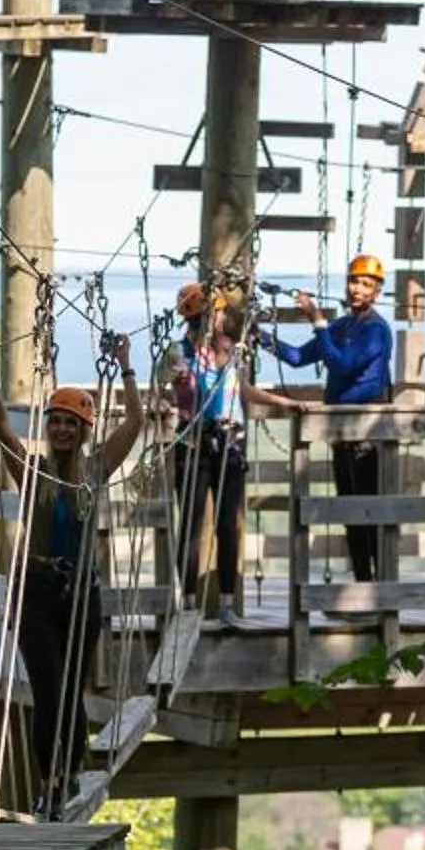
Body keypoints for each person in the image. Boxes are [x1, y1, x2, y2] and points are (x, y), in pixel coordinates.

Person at [0, 341, 142, 816]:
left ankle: (70, 771)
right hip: (36, 591)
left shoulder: (96, 470)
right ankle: (50, 781)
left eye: (72, 422)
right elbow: (1, 433)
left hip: (80, 595)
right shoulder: (34, 472)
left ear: (86, 430)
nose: (62, 429)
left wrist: (128, 367)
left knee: (72, 688)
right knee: (48, 687)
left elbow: (134, 423)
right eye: (56, 421)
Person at [259, 255, 395, 579]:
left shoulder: (377, 331)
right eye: (354, 282)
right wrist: (258, 335)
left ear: (376, 292)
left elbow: (343, 364)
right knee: (350, 508)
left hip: (368, 430)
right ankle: (364, 581)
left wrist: (317, 320)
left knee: (368, 509)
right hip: (341, 429)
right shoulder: (343, 326)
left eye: (365, 284)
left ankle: (379, 586)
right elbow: (297, 357)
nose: (357, 289)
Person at [167, 282, 252, 620]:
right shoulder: (178, 353)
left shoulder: (233, 351)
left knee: (227, 524)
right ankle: (188, 602)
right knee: (191, 524)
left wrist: (283, 402)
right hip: (193, 444)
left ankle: (227, 602)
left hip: (229, 444)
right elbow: (168, 392)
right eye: (210, 315)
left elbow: (240, 392)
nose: (215, 321)